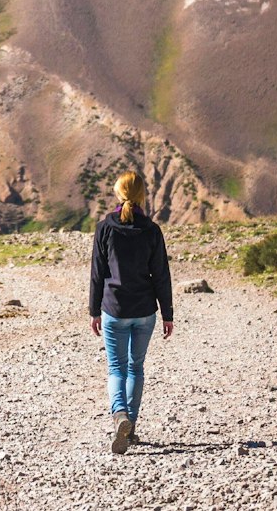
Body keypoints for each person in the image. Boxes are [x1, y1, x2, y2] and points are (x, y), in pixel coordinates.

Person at [88, 170, 173, 455]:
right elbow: (161, 273)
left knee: (116, 368)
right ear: (141, 196)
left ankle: (120, 416)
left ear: (118, 193)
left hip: (114, 308)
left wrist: (94, 310)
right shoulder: (151, 230)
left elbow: (97, 273)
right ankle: (131, 427)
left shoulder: (105, 227)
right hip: (145, 310)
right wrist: (168, 313)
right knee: (136, 367)